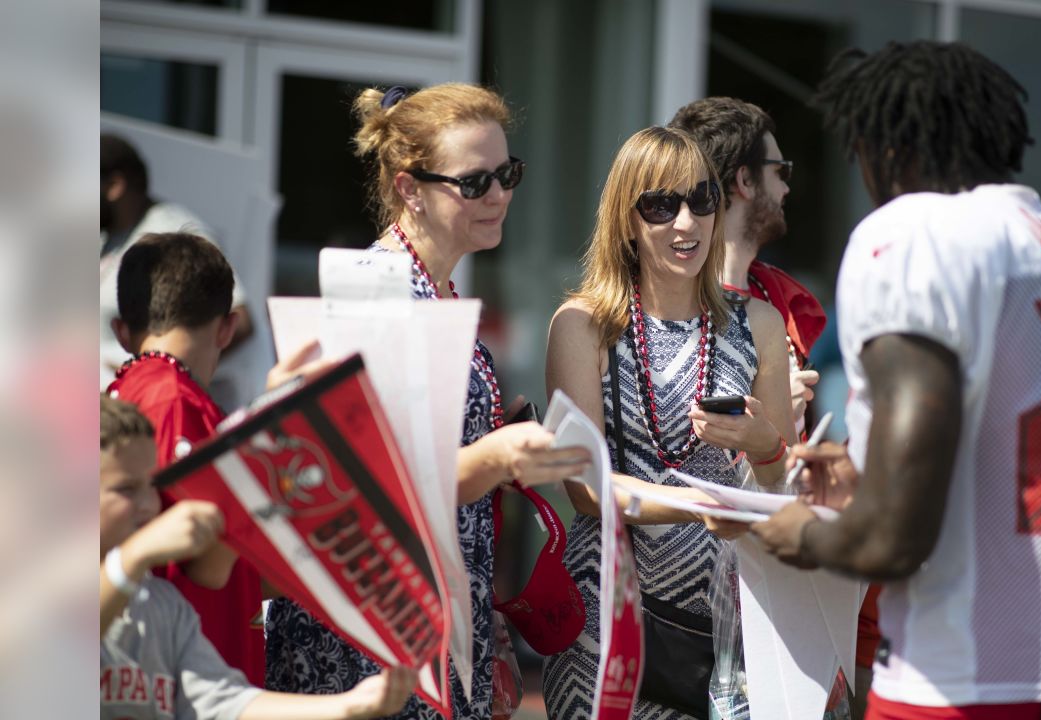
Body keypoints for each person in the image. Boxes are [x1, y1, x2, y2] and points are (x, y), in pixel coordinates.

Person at [752, 41, 1041, 720]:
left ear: (891, 148)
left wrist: (800, 535)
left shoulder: (918, 235)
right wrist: (866, 471)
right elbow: (1017, 435)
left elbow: (893, 539)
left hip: (959, 677)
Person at [264, 83, 590, 720]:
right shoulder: (380, 298)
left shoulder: (430, 293)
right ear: (410, 188)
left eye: (507, 173)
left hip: (424, 628)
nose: (499, 195)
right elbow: (373, 490)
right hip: (370, 648)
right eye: (474, 183)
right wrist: (495, 456)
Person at [542, 125, 797, 719]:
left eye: (701, 200)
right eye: (661, 205)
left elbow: (779, 484)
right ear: (628, 220)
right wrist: (698, 505)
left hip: (728, 634)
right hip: (609, 630)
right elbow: (583, 488)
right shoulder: (585, 326)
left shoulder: (758, 325)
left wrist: (764, 445)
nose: (686, 224)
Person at [100, 394, 418, 720]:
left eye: (151, 485)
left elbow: (223, 701)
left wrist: (349, 704)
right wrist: (133, 557)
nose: (148, 504)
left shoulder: (159, 603)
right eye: (126, 488)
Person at [106, 232, 267, 686]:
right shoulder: (174, 401)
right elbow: (197, 567)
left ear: (121, 331)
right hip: (189, 679)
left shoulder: (132, 390)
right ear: (227, 328)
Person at [669, 97, 825, 437]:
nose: (786, 187)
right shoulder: (664, 301)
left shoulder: (776, 296)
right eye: (780, 170)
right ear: (746, 180)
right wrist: (770, 412)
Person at [100, 134, 252, 391]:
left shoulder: (171, 233)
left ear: (115, 185)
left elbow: (241, 319)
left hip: (163, 416)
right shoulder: (106, 237)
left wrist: (161, 378)